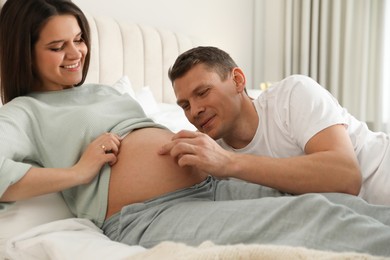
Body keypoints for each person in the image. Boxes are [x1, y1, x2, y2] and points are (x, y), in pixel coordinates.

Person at [1, 0, 390, 257]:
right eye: (57, 47)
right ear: (24, 50)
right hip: (148, 214)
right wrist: (77, 173)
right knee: (310, 220)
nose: (76, 53)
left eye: (79, 39)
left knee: (330, 204)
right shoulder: (26, 112)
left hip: (212, 186)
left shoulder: (104, 92)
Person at [160, 46, 389, 206]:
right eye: (184, 105)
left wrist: (229, 163)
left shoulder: (293, 94)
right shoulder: (210, 157)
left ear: (238, 80)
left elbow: (346, 177)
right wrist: (122, 140)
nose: (195, 111)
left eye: (202, 92)